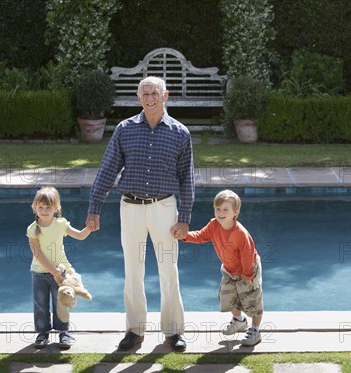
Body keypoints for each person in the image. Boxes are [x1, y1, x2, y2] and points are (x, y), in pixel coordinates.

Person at [86, 76, 194, 352]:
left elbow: (187, 179)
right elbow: (107, 170)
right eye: (144, 94)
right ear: (138, 98)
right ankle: (134, 331)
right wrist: (94, 206)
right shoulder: (124, 129)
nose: (149, 98)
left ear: (165, 96)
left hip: (165, 209)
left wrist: (185, 217)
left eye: (154, 93)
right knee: (132, 270)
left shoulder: (180, 133)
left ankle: (173, 332)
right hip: (131, 208)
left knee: (168, 270)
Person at [183, 189, 264, 346]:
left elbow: (247, 255)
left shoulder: (240, 233)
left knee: (252, 300)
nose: (220, 212)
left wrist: (248, 276)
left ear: (236, 212)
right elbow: (201, 236)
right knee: (228, 296)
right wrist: (185, 236)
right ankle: (239, 320)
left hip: (248, 270)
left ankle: (255, 330)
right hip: (229, 270)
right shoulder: (214, 225)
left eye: (225, 209)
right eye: (218, 208)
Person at [27, 186, 92, 349]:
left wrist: (89, 228)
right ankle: (43, 333)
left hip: (61, 274)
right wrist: (52, 270)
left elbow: (79, 235)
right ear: (35, 207)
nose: (43, 210)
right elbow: (37, 253)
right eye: (40, 207)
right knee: (40, 304)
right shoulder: (33, 229)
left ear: (56, 208)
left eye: (48, 207)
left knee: (62, 303)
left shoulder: (61, 224)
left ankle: (64, 332)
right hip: (39, 272)